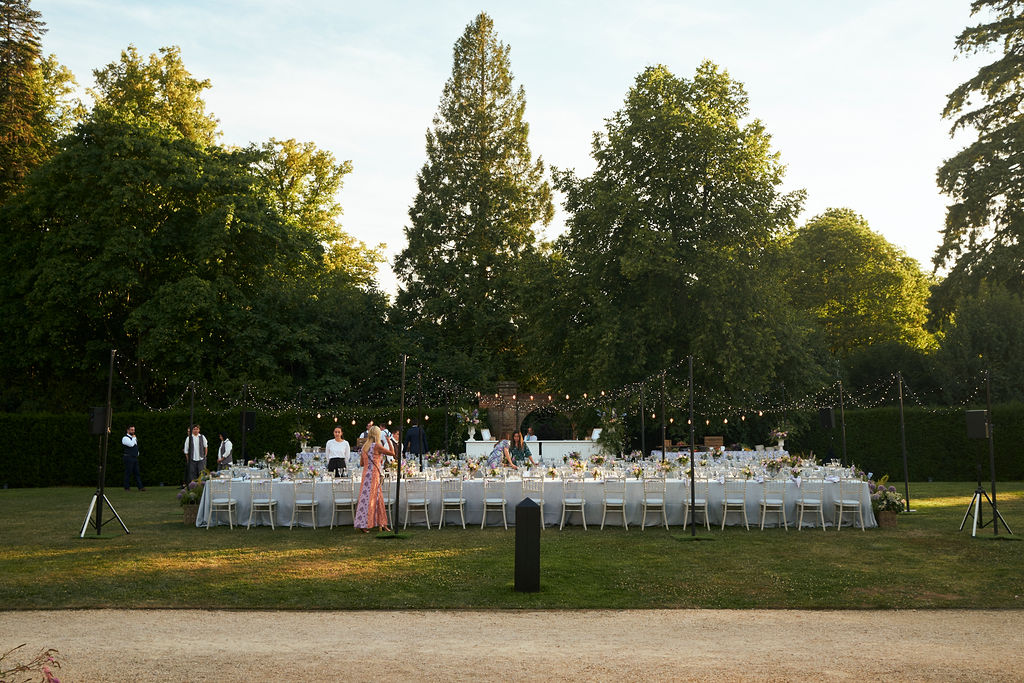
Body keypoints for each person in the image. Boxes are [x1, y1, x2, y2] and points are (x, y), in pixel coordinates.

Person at [354, 426, 391, 533]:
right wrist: (388, 441)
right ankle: (380, 524)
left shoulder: (364, 447)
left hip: (366, 475)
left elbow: (361, 463)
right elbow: (392, 453)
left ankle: (378, 523)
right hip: (374, 475)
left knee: (365, 499)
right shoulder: (377, 446)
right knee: (375, 499)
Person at [121, 425, 144, 491]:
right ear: (128, 430)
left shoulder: (133, 437)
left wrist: (137, 453)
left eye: (134, 430)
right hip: (128, 457)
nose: (133, 431)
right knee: (128, 473)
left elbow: (135, 446)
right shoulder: (125, 438)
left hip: (134, 457)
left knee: (137, 473)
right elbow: (131, 444)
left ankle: (140, 487)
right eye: (131, 430)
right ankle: (126, 487)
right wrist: (134, 438)